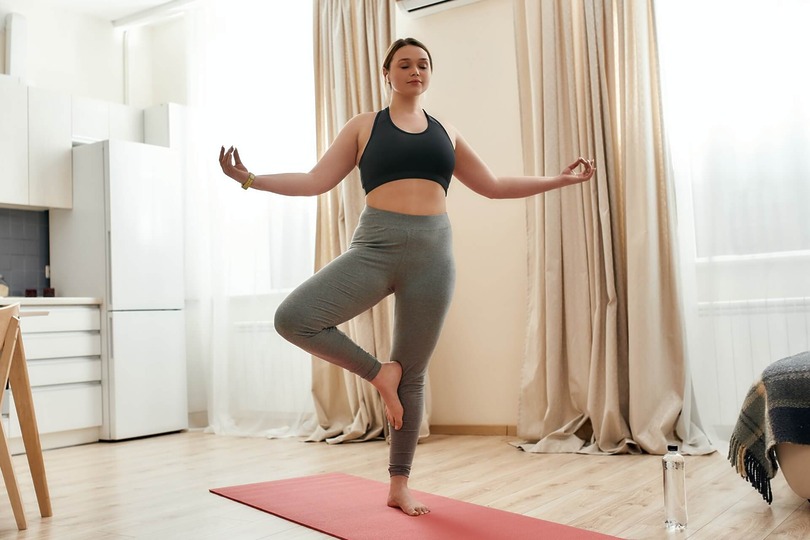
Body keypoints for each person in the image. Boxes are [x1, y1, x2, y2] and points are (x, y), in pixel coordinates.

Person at [218, 37, 595, 517]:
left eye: (423, 64)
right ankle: (380, 374)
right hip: (375, 247)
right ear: (387, 74)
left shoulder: (447, 133)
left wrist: (558, 180)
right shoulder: (363, 127)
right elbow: (315, 181)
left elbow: (495, 186)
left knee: (413, 373)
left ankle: (399, 485)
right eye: (404, 64)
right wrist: (251, 179)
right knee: (294, 317)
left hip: (434, 256)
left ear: (430, 74)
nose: (415, 71)